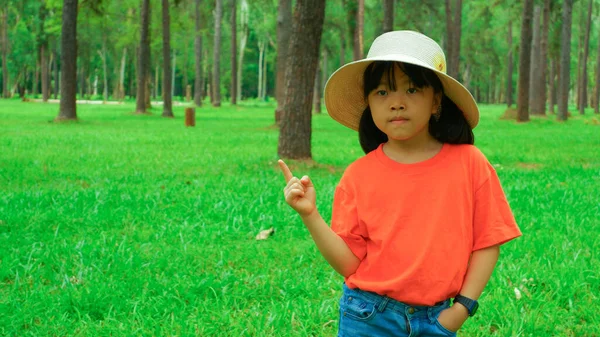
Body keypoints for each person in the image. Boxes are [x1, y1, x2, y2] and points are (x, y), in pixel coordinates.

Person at [278, 30, 522, 337]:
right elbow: (350, 264)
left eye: (412, 90)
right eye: (382, 92)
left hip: (438, 319)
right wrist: (309, 214)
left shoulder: (470, 163)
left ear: (436, 101)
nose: (396, 103)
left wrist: (461, 309)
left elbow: (488, 241)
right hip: (367, 317)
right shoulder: (358, 175)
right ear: (369, 103)